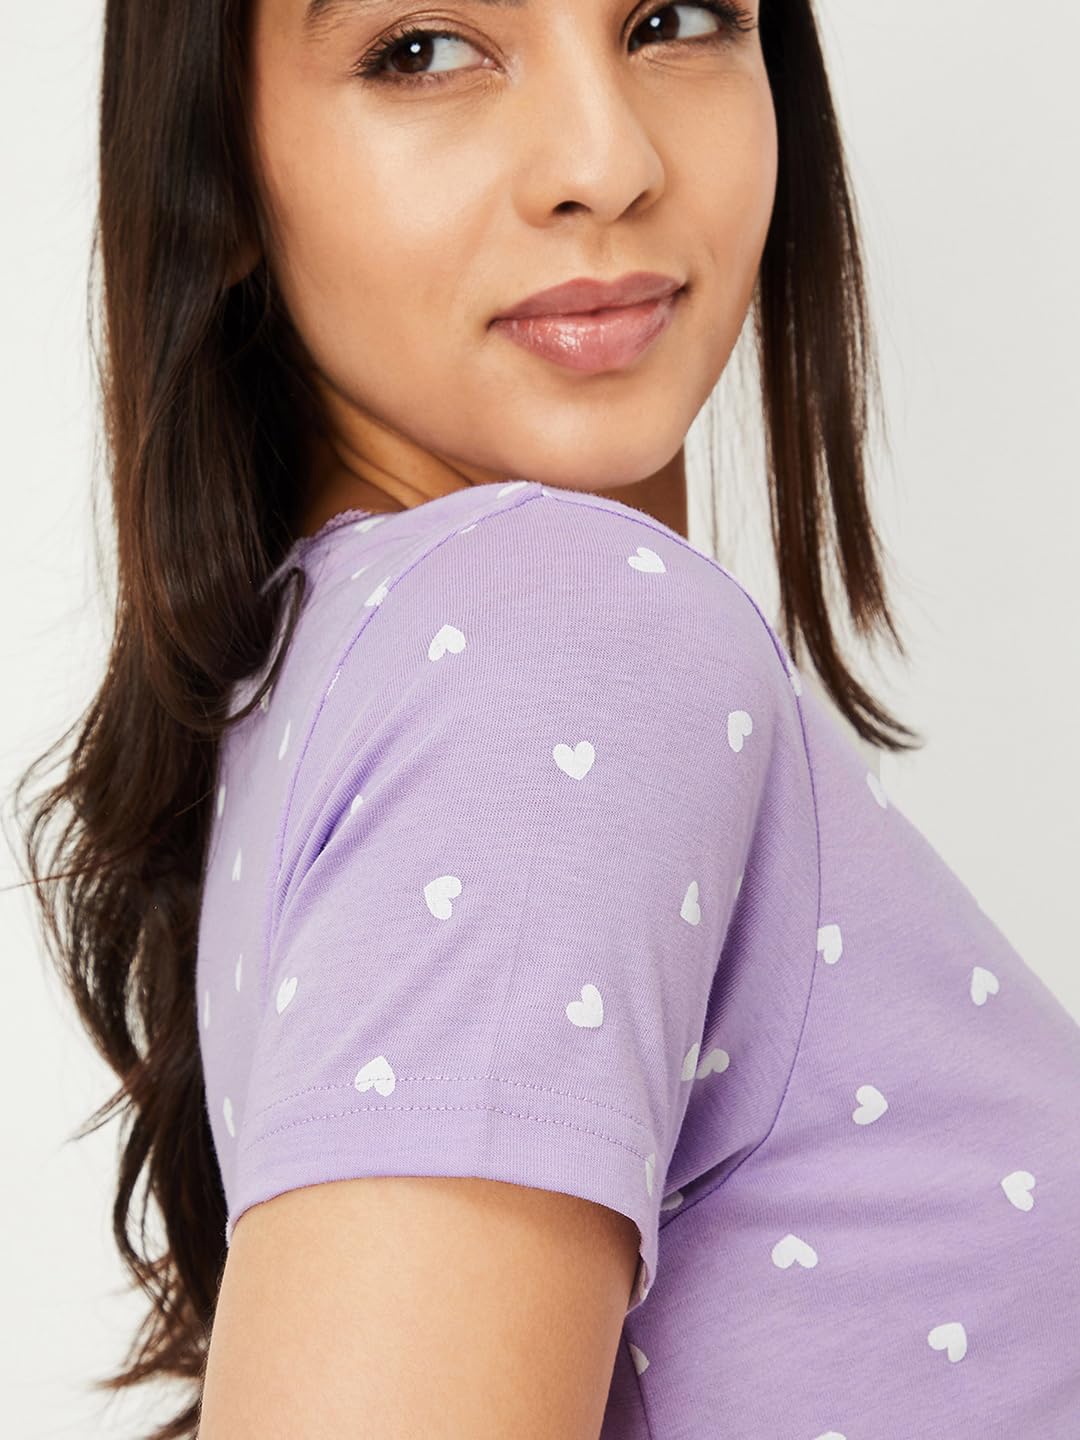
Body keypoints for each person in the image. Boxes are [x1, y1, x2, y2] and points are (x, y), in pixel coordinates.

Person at [12, 0, 1078, 1436]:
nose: (607, 159)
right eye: (422, 49)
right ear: (219, 163)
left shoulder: (351, 657)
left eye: (672, 18)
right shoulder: (557, 633)